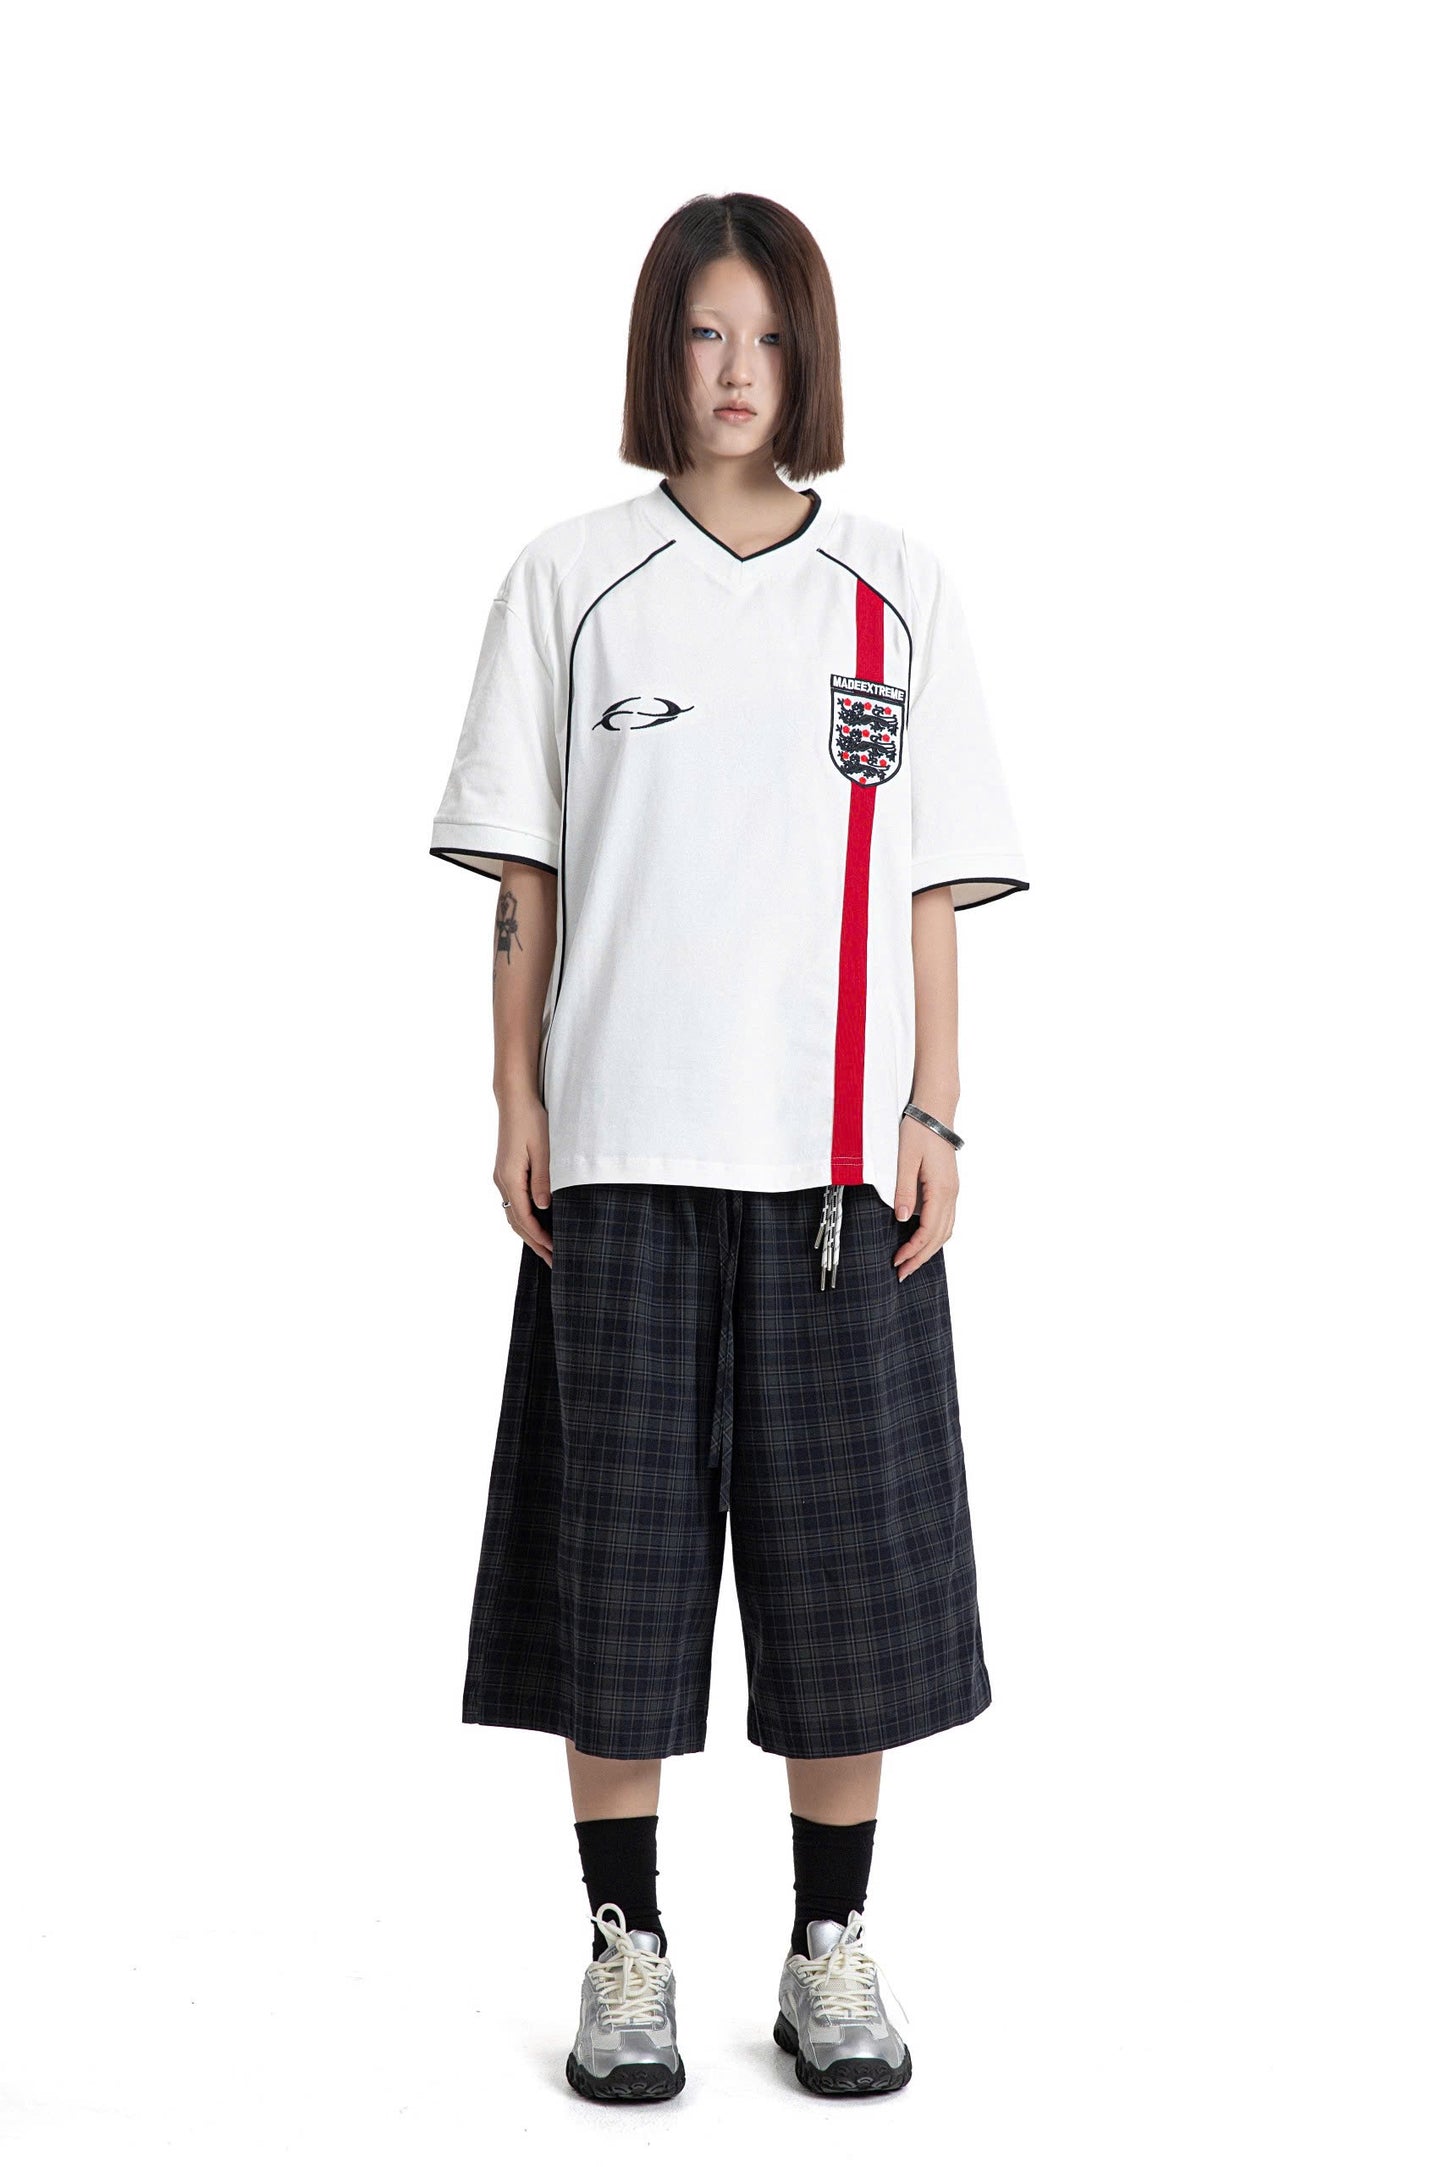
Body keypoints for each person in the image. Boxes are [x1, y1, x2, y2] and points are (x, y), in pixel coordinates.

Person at [428, 191, 1030, 2104]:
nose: (736, 371)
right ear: (658, 354)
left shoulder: (893, 587)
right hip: (620, 1157)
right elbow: (523, 873)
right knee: (611, 1586)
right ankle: (626, 1947)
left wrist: (933, 1108)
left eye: (767, 336)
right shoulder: (570, 580)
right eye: (703, 333)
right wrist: (516, 1099)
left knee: (846, 1591)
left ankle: (828, 1946)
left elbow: (932, 875)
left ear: (809, 357)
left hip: (842, 1174)